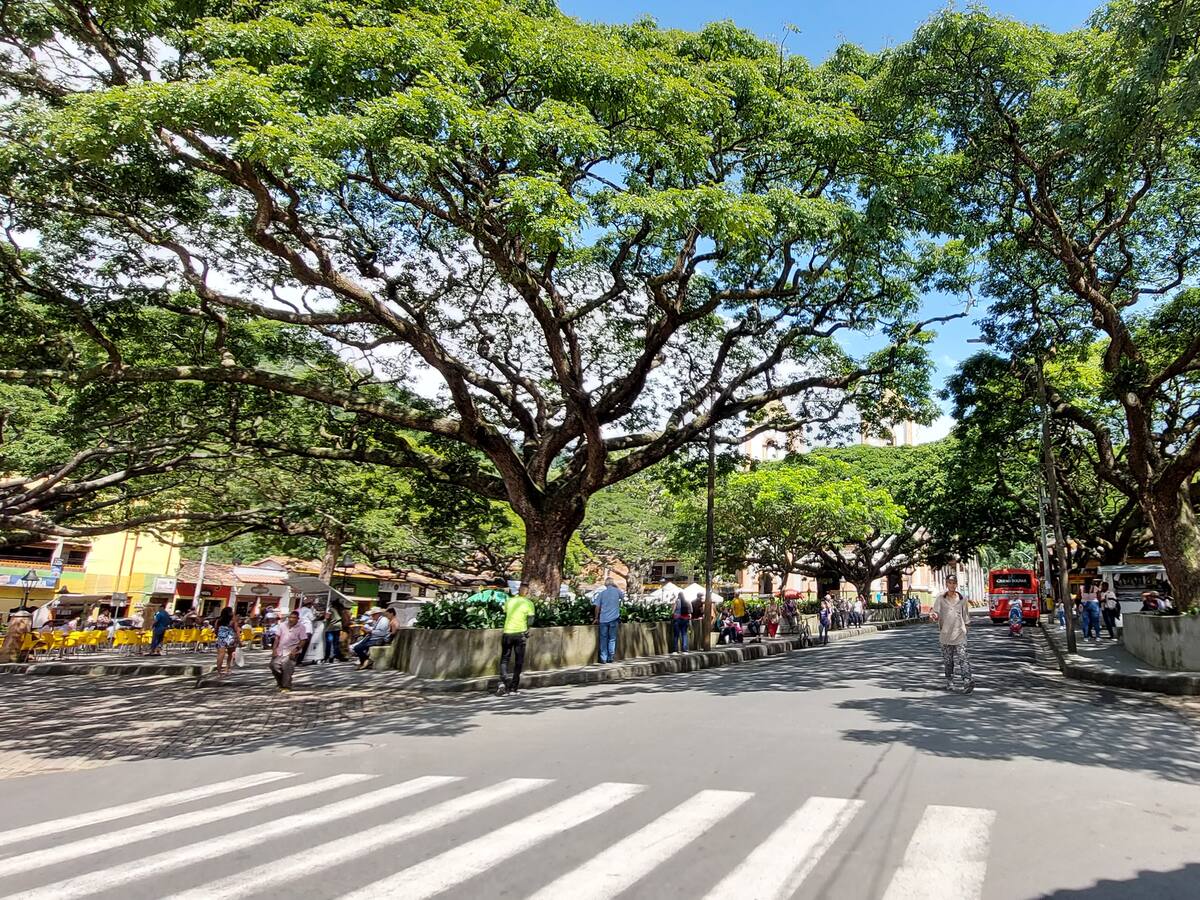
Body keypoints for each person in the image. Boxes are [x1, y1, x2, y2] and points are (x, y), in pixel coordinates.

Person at [931, 574, 973, 693]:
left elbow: (966, 616)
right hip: (945, 635)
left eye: (954, 582)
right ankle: (949, 680)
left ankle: (967, 681)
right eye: (950, 582)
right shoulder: (940, 599)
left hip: (960, 634)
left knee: (963, 658)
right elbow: (936, 612)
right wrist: (934, 616)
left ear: (956, 584)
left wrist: (966, 628)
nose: (952, 585)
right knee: (948, 661)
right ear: (946, 584)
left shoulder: (962, 599)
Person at [496, 586, 535, 696]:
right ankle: (513, 687)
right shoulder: (528, 603)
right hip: (520, 634)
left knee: (504, 659)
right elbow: (531, 619)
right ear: (527, 593)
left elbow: (505, 611)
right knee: (519, 661)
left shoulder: (510, 601)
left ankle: (503, 683)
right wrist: (528, 629)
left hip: (507, 633)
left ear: (518, 592)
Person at [270, 609, 305, 692]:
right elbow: (277, 638)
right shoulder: (282, 625)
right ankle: (281, 682)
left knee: (287, 667)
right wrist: (274, 649)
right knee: (274, 666)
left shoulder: (301, 627)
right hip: (280, 650)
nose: (291, 619)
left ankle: (286, 686)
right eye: (290, 617)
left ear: (297, 619)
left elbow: (303, 640)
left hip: (292, 651)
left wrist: (296, 649)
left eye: (294, 618)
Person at [592, 578, 624, 663]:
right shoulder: (617, 591)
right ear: (613, 583)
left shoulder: (602, 593)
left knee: (603, 638)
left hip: (603, 619)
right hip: (614, 618)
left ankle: (603, 658)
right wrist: (616, 585)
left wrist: (596, 618)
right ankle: (611, 657)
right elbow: (623, 596)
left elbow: (597, 607)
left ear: (605, 584)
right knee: (612, 638)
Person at [214, 606, 240, 675]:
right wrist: (239, 640)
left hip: (221, 638)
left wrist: (218, 635)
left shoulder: (218, 620)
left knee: (220, 654)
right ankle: (227, 669)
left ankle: (219, 671)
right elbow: (236, 630)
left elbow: (215, 630)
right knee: (230, 654)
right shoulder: (232, 621)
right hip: (230, 638)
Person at [670, 587, 691, 654]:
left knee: (676, 635)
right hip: (685, 619)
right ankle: (684, 650)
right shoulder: (687, 602)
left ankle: (675, 650)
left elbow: (673, 611)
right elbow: (689, 612)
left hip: (677, 619)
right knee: (684, 634)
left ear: (678, 596)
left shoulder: (677, 601)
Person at [296, 598, 316, 663]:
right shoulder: (308, 610)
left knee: (299, 644)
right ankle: (299, 660)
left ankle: (295, 658)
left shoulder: (299, 610)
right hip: (307, 630)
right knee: (304, 645)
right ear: (309, 605)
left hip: (300, 629)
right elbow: (313, 619)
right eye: (311, 604)